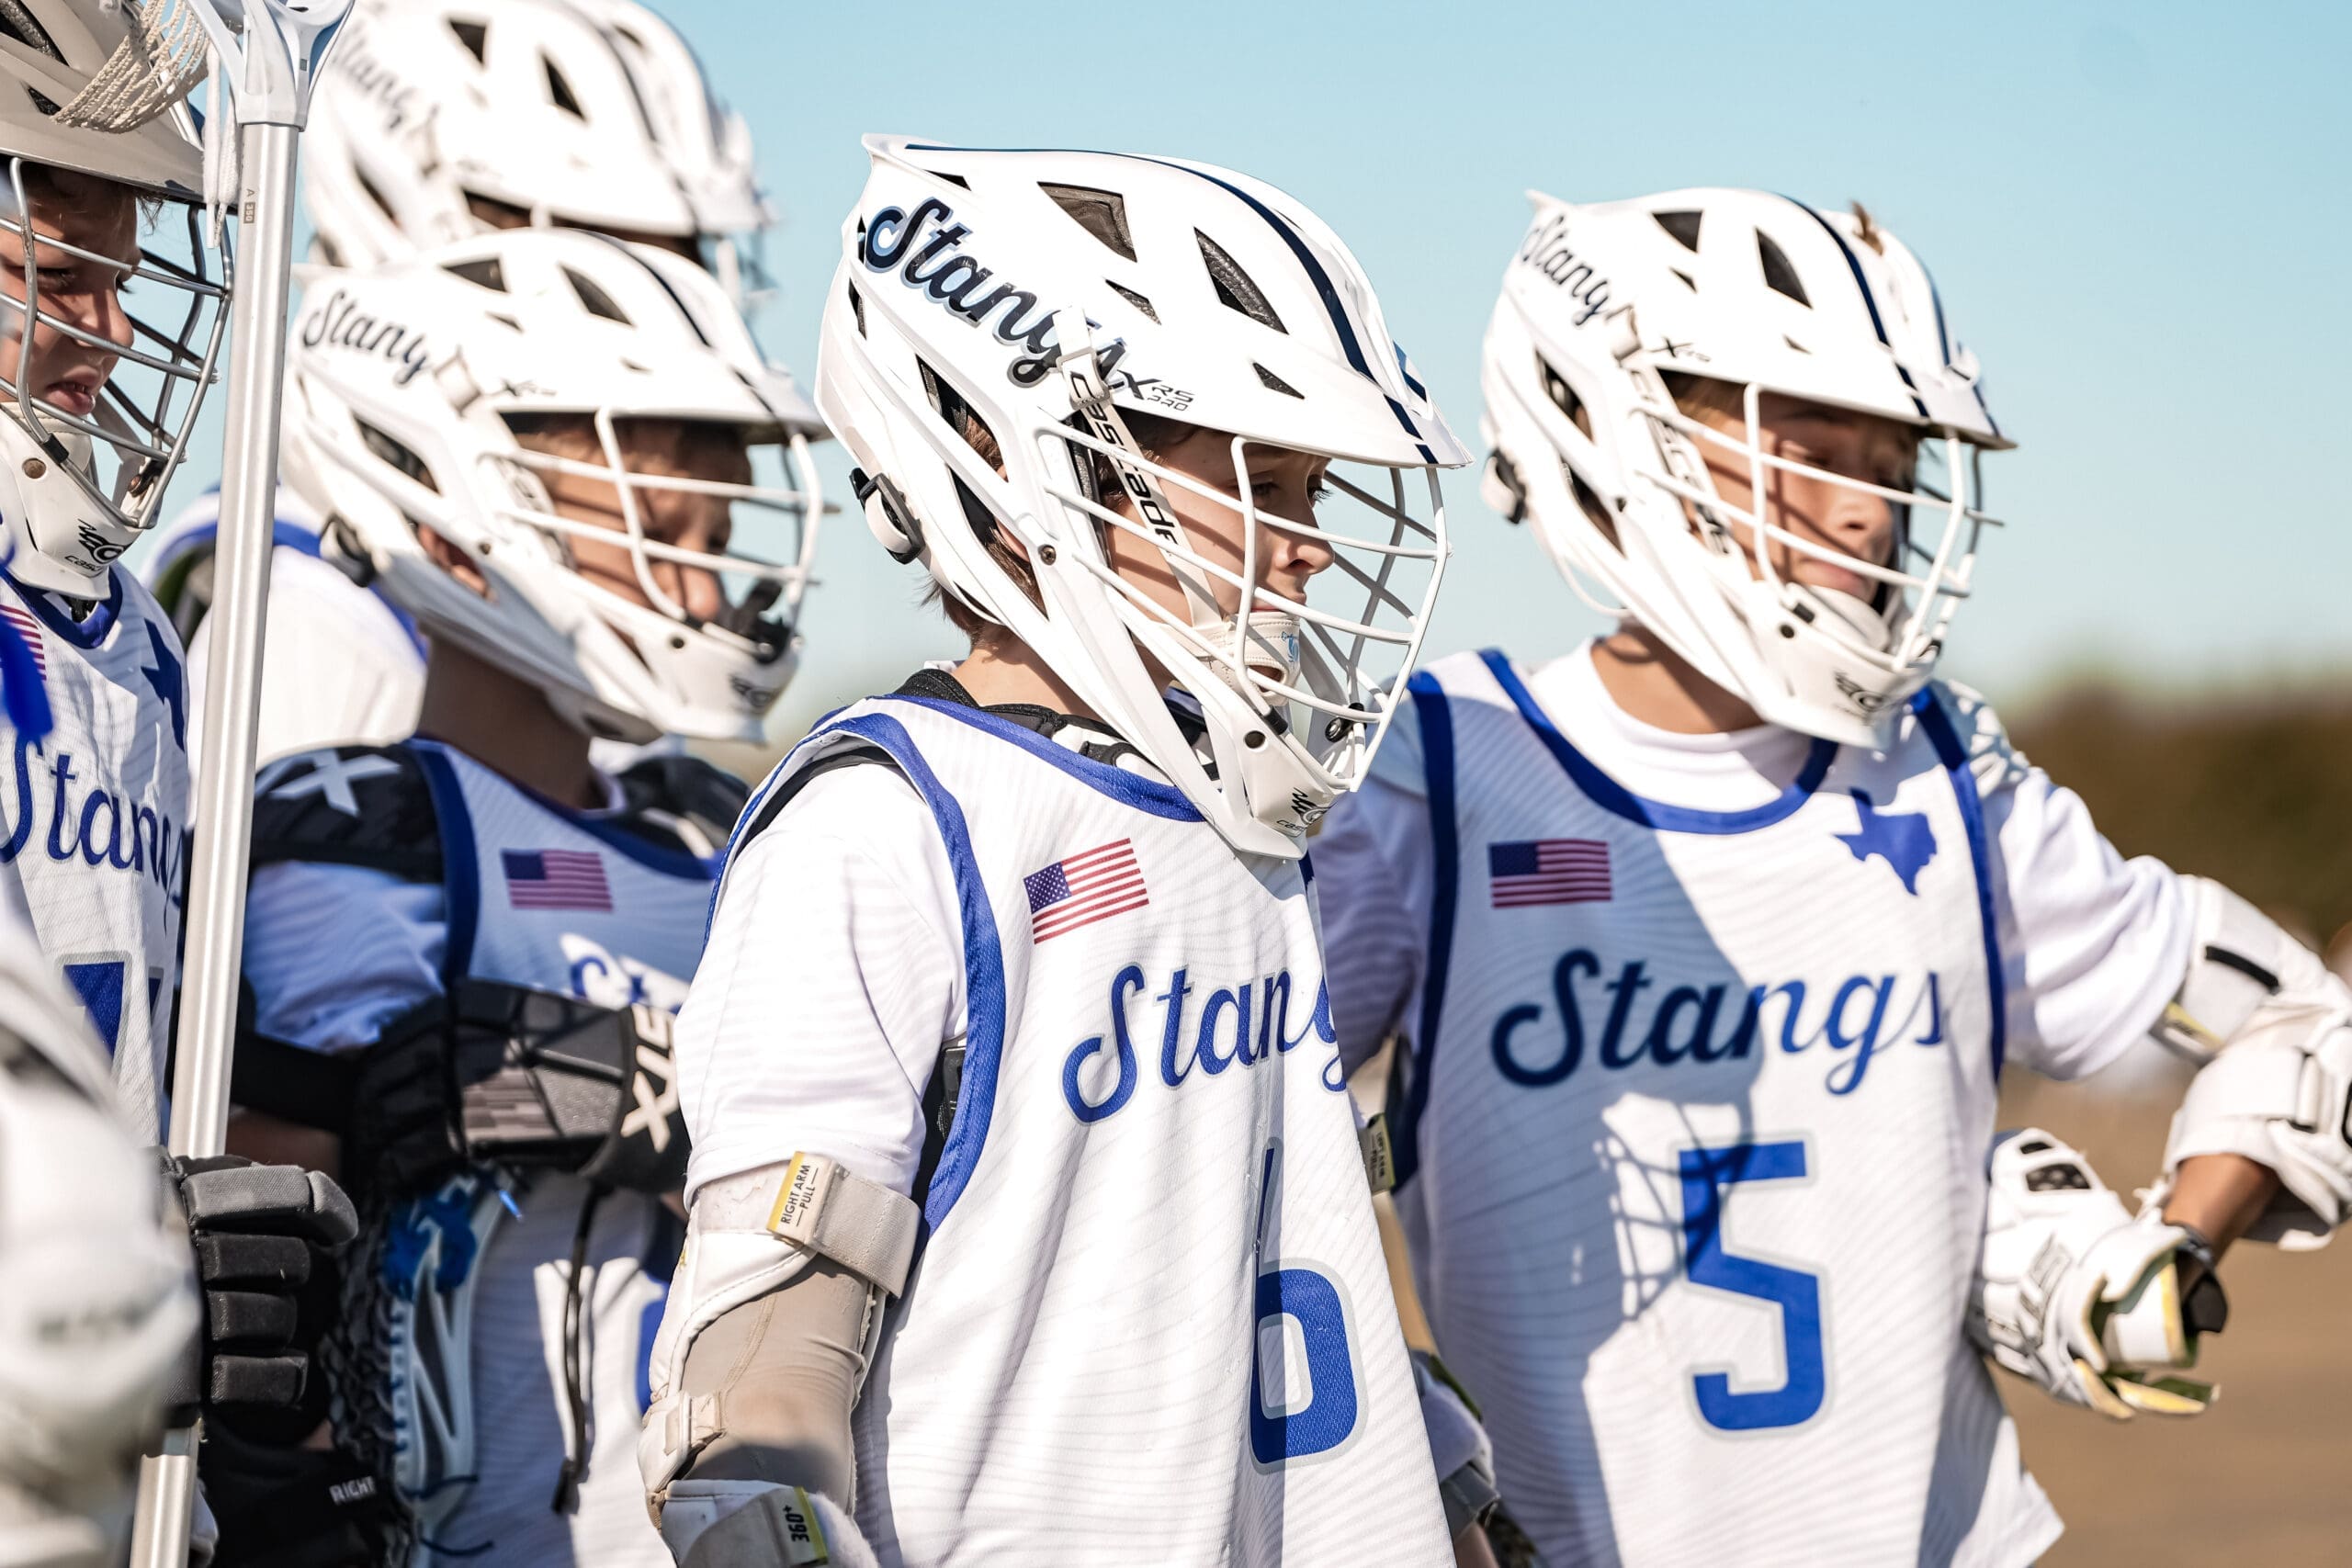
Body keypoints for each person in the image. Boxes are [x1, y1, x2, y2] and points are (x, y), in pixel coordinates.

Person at [1309, 185, 2352, 1567]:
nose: (1866, 514)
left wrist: (2160, 1253)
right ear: (1613, 436)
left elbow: (2301, 1026)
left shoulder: (1944, 775)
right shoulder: (1441, 774)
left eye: (1893, 464)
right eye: (1808, 454)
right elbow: (1222, 1149)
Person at [638, 134, 1496, 1568]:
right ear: (1023, 459)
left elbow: (1268, 1255)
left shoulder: (1246, 813)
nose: (1311, 546)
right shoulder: (887, 822)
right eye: (1269, 481)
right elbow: (766, 1365)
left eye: (1314, 490)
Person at [207, 226, 819, 1565]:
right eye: (657, 533)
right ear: (451, 529)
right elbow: (268, 1292)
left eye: (716, 540)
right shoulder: (357, 831)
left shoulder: (721, 828)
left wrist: (639, 1091)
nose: (703, 590)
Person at [141, 0, 819, 772]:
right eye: (603, 247)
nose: (653, 300)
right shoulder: (319, 616)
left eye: (680, 258)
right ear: (406, 212)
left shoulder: (614, 572)